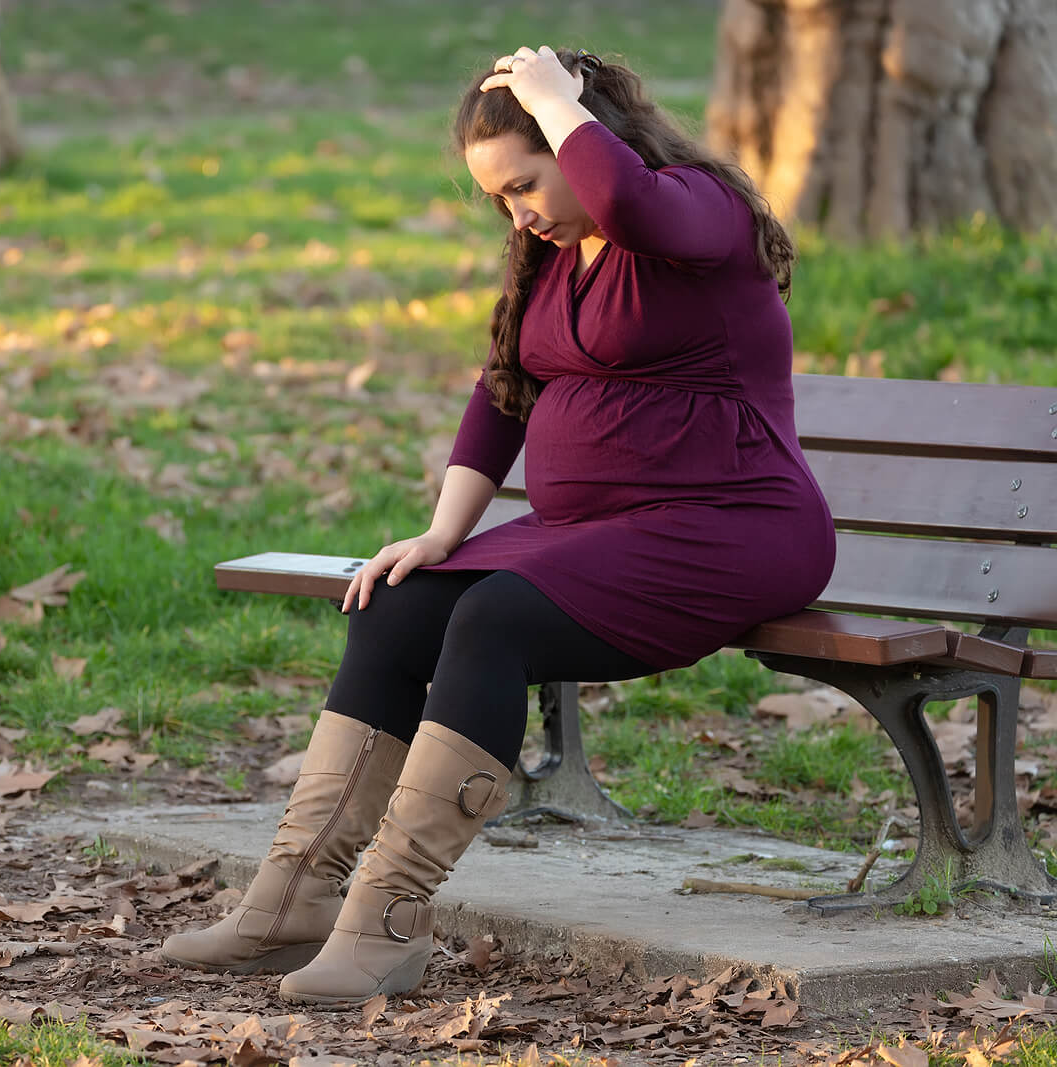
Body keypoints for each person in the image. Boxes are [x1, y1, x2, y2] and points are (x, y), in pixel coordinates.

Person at [160, 45, 837, 1008]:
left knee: (494, 618)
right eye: (499, 198)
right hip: (599, 531)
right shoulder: (556, 256)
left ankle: (386, 923)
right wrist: (443, 531)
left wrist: (559, 100)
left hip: (733, 526)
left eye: (525, 183)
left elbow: (632, 203)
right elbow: (504, 393)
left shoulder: (693, 213)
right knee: (397, 607)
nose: (516, 212)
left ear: (581, 137)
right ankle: (294, 898)